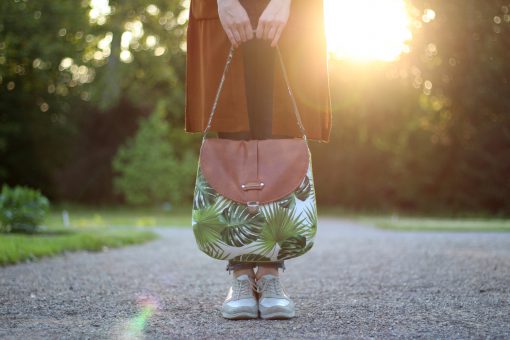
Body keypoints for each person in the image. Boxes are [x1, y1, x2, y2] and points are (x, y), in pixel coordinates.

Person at [185, 0, 332, 320]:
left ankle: (269, 275)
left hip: (289, 10)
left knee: (282, 124)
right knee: (230, 117)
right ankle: (240, 277)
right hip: (222, 8)